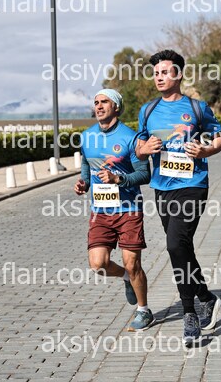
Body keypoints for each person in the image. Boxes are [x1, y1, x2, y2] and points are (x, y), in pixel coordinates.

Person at [135, 50, 221, 346]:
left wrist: (205, 150)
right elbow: (139, 147)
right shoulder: (148, 110)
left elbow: (219, 138)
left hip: (193, 185)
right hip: (162, 187)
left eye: (164, 72)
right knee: (181, 248)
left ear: (179, 75)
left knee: (175, 244)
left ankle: (190, 314)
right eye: (156, 73)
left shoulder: (197, 108)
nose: (159, 77)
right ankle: (206, 298)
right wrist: (144, 149)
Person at [75, 88, 155, 331]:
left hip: (128, 209)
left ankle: (144, 311)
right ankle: (125, 278)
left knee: (133, 264)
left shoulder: (131, 137)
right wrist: (83, 183)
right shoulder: (87, 136)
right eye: (96, 102)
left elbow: (144, 174)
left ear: (116, 107)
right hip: (100, 211)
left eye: (105, 102)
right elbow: (86, 166)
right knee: (98, 264)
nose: (99, 106)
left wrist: (118, 179)